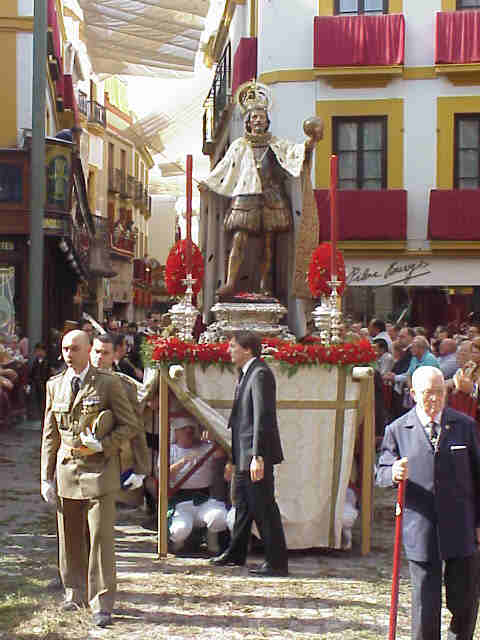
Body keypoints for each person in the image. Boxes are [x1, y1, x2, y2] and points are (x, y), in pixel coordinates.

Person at [40, 330, 139, 628]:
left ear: (87, 350)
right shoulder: (55, 385)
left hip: (99, 470)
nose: (69, 354)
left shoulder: (108, 383)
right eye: (65, 349)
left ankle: (102, 602)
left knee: (100, 538)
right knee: (69, 537)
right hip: (67, 469)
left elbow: (129, 424)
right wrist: (45, 477)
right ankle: (74, 592)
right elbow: (50, 435)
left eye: (75, 348)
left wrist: (104, 445)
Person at [377, 366, 480, 640]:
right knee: (425, 604)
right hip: (421, 527)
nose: (434, 399)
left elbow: (478, 476)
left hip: (461, 525)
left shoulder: (465, 425)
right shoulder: (398, 429)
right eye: (427, 393)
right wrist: (393, 472)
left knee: (465, 600)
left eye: (439, 392)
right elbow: (381, 472)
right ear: (413, 394)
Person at [198, 80, 322, 299]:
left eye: (261, 117)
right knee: (239, 238)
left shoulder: (276, 144)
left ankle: (265, 285)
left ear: (267, 121)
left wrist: (311, 141)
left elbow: (295, 153)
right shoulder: (239, 145)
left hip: (272, 197)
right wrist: (207, 183)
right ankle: (230, 283)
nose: (258, 121)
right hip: (245, 198)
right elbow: (224, 168)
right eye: (254, 117)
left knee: (268, 244)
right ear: (248, 121)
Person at [211, 331, 288, 577]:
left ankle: (277, 562)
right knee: (243, 506)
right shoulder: (248, 372)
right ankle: (236, 552)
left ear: (247, 349)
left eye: (233, 346)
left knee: (264, 507)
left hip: (254, 454)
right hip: (243, 454)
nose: (229, 351)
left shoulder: (260, 374)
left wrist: (258, 456)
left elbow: (262, 418)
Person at [90, 334, 149, 501]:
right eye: (96, 352)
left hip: (113, 457)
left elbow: (136, 427)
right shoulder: (75, 381)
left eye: (105, 353)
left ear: (114, 355)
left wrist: (141, 469)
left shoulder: (125, 386)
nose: (99, 357)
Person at [168, 416, 228, 554]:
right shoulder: (169, 450)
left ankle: (212, 540)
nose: (188, 431)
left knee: (218, 517)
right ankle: (178, 544)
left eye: (191, 429)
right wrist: (184, 461)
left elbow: (221, 455)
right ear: (176, 432)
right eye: (184, 429)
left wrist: (213, 439)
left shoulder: (207, 447)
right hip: (180, 502)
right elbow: (164, 476)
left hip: (205, 499)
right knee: (179, 530)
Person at [29, 342, 50, 419]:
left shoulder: (48, 362)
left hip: (45, 383)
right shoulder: (35, 362)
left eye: (41, 351)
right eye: (37, 351)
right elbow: (32, 373)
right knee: (38, 400)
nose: (39, 353)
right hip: (37, 384)